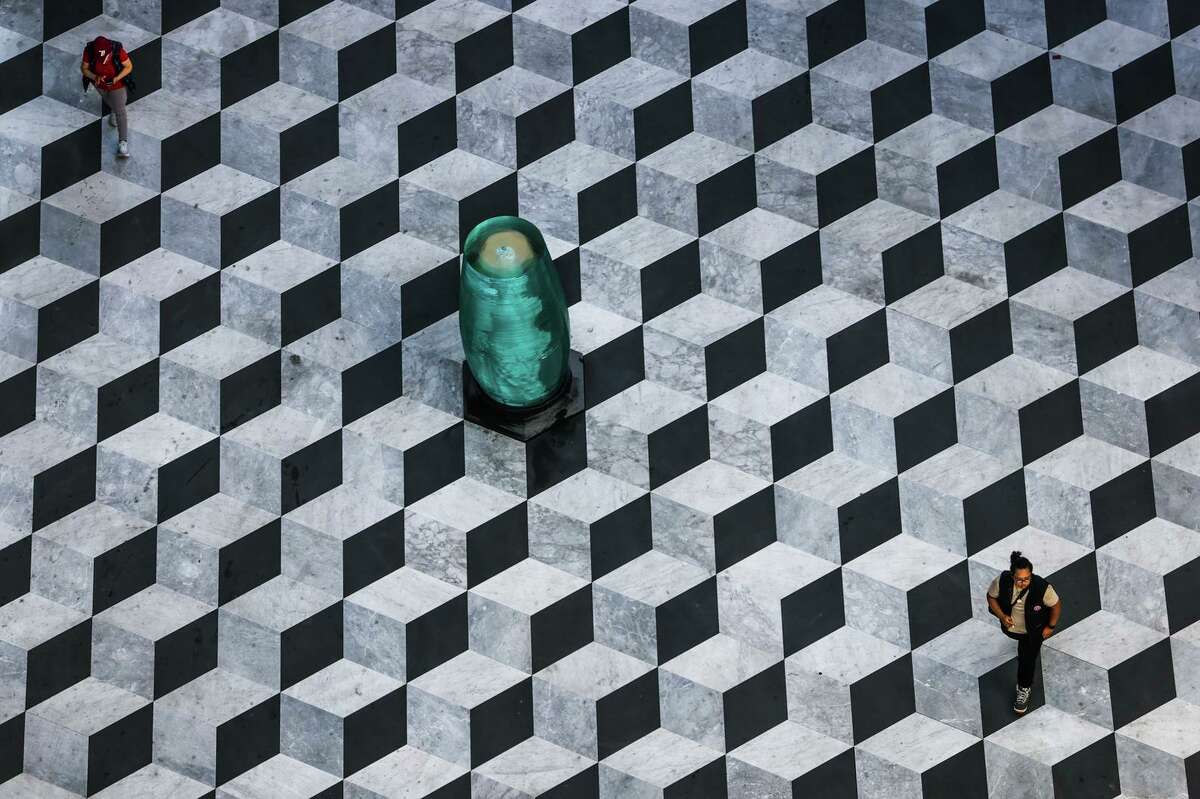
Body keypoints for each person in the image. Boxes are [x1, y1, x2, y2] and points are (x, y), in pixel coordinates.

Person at [986, 551, 1063, 714]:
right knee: (1024, 653)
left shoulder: (1042, 588)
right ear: (1012, 576)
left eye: (1027, 579)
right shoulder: (1003, 580)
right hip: (1013, 629)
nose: (1023, 582)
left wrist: (1050, 627)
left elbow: (1056, 605)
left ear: (1031, 575)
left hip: (1033, 632)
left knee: (1027, 661)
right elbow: (991, 597)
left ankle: (1024, 688)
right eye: (1019, 579)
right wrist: (1002, 615)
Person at [81, 36, 133, 158]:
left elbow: (129, 66)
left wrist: (116, 78)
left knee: (120, 110)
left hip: (117, 84)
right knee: (111, 103)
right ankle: (114, 110)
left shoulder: (117, 49)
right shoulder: (89, 50)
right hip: (100, 85)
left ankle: (123, 143)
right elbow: (84, 68)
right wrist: (95, 77)